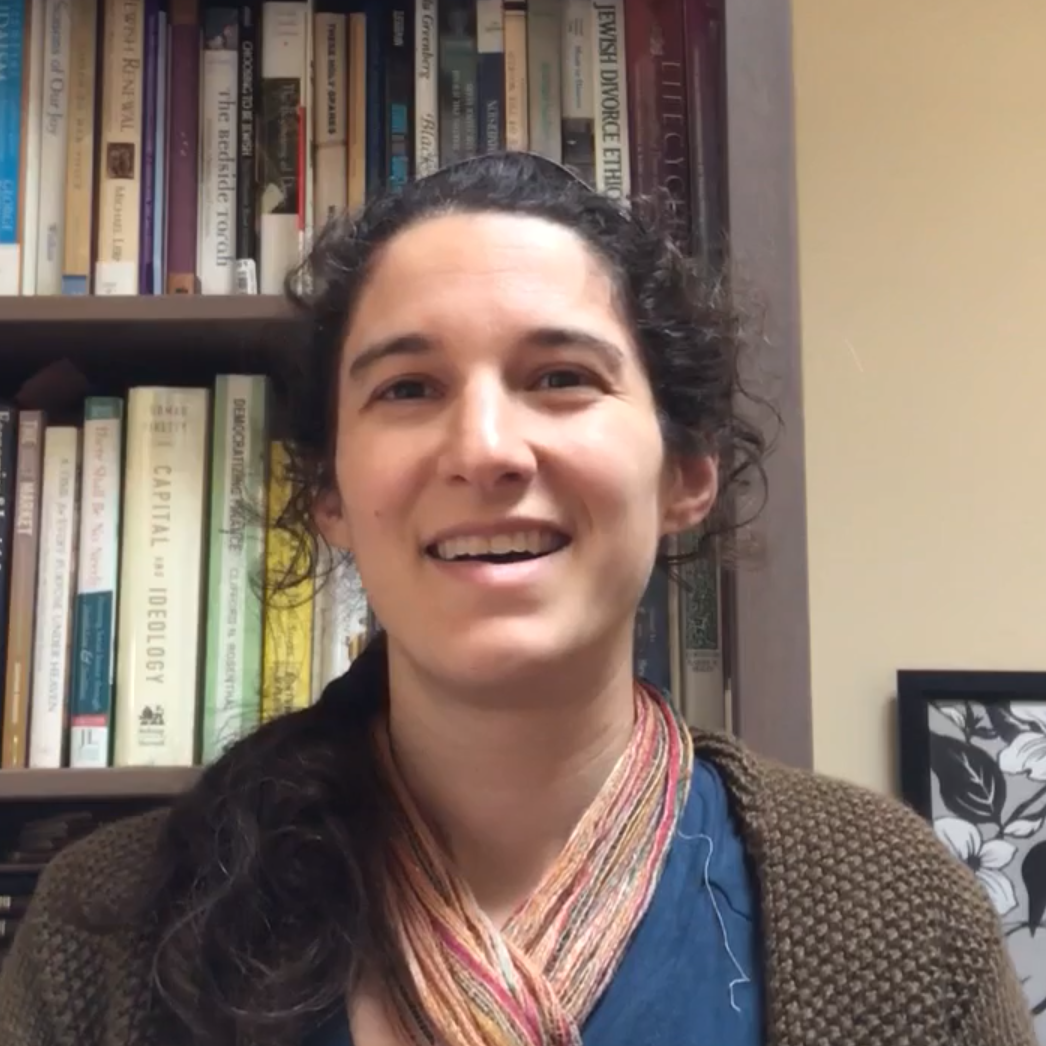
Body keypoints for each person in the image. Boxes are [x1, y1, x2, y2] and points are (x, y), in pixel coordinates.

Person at [0, 152, 1035, 1046]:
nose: (485, 448)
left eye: (558, 377)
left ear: (684, 471)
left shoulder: (895, 908)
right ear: (330, 493)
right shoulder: (108, 925)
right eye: (407, 388)